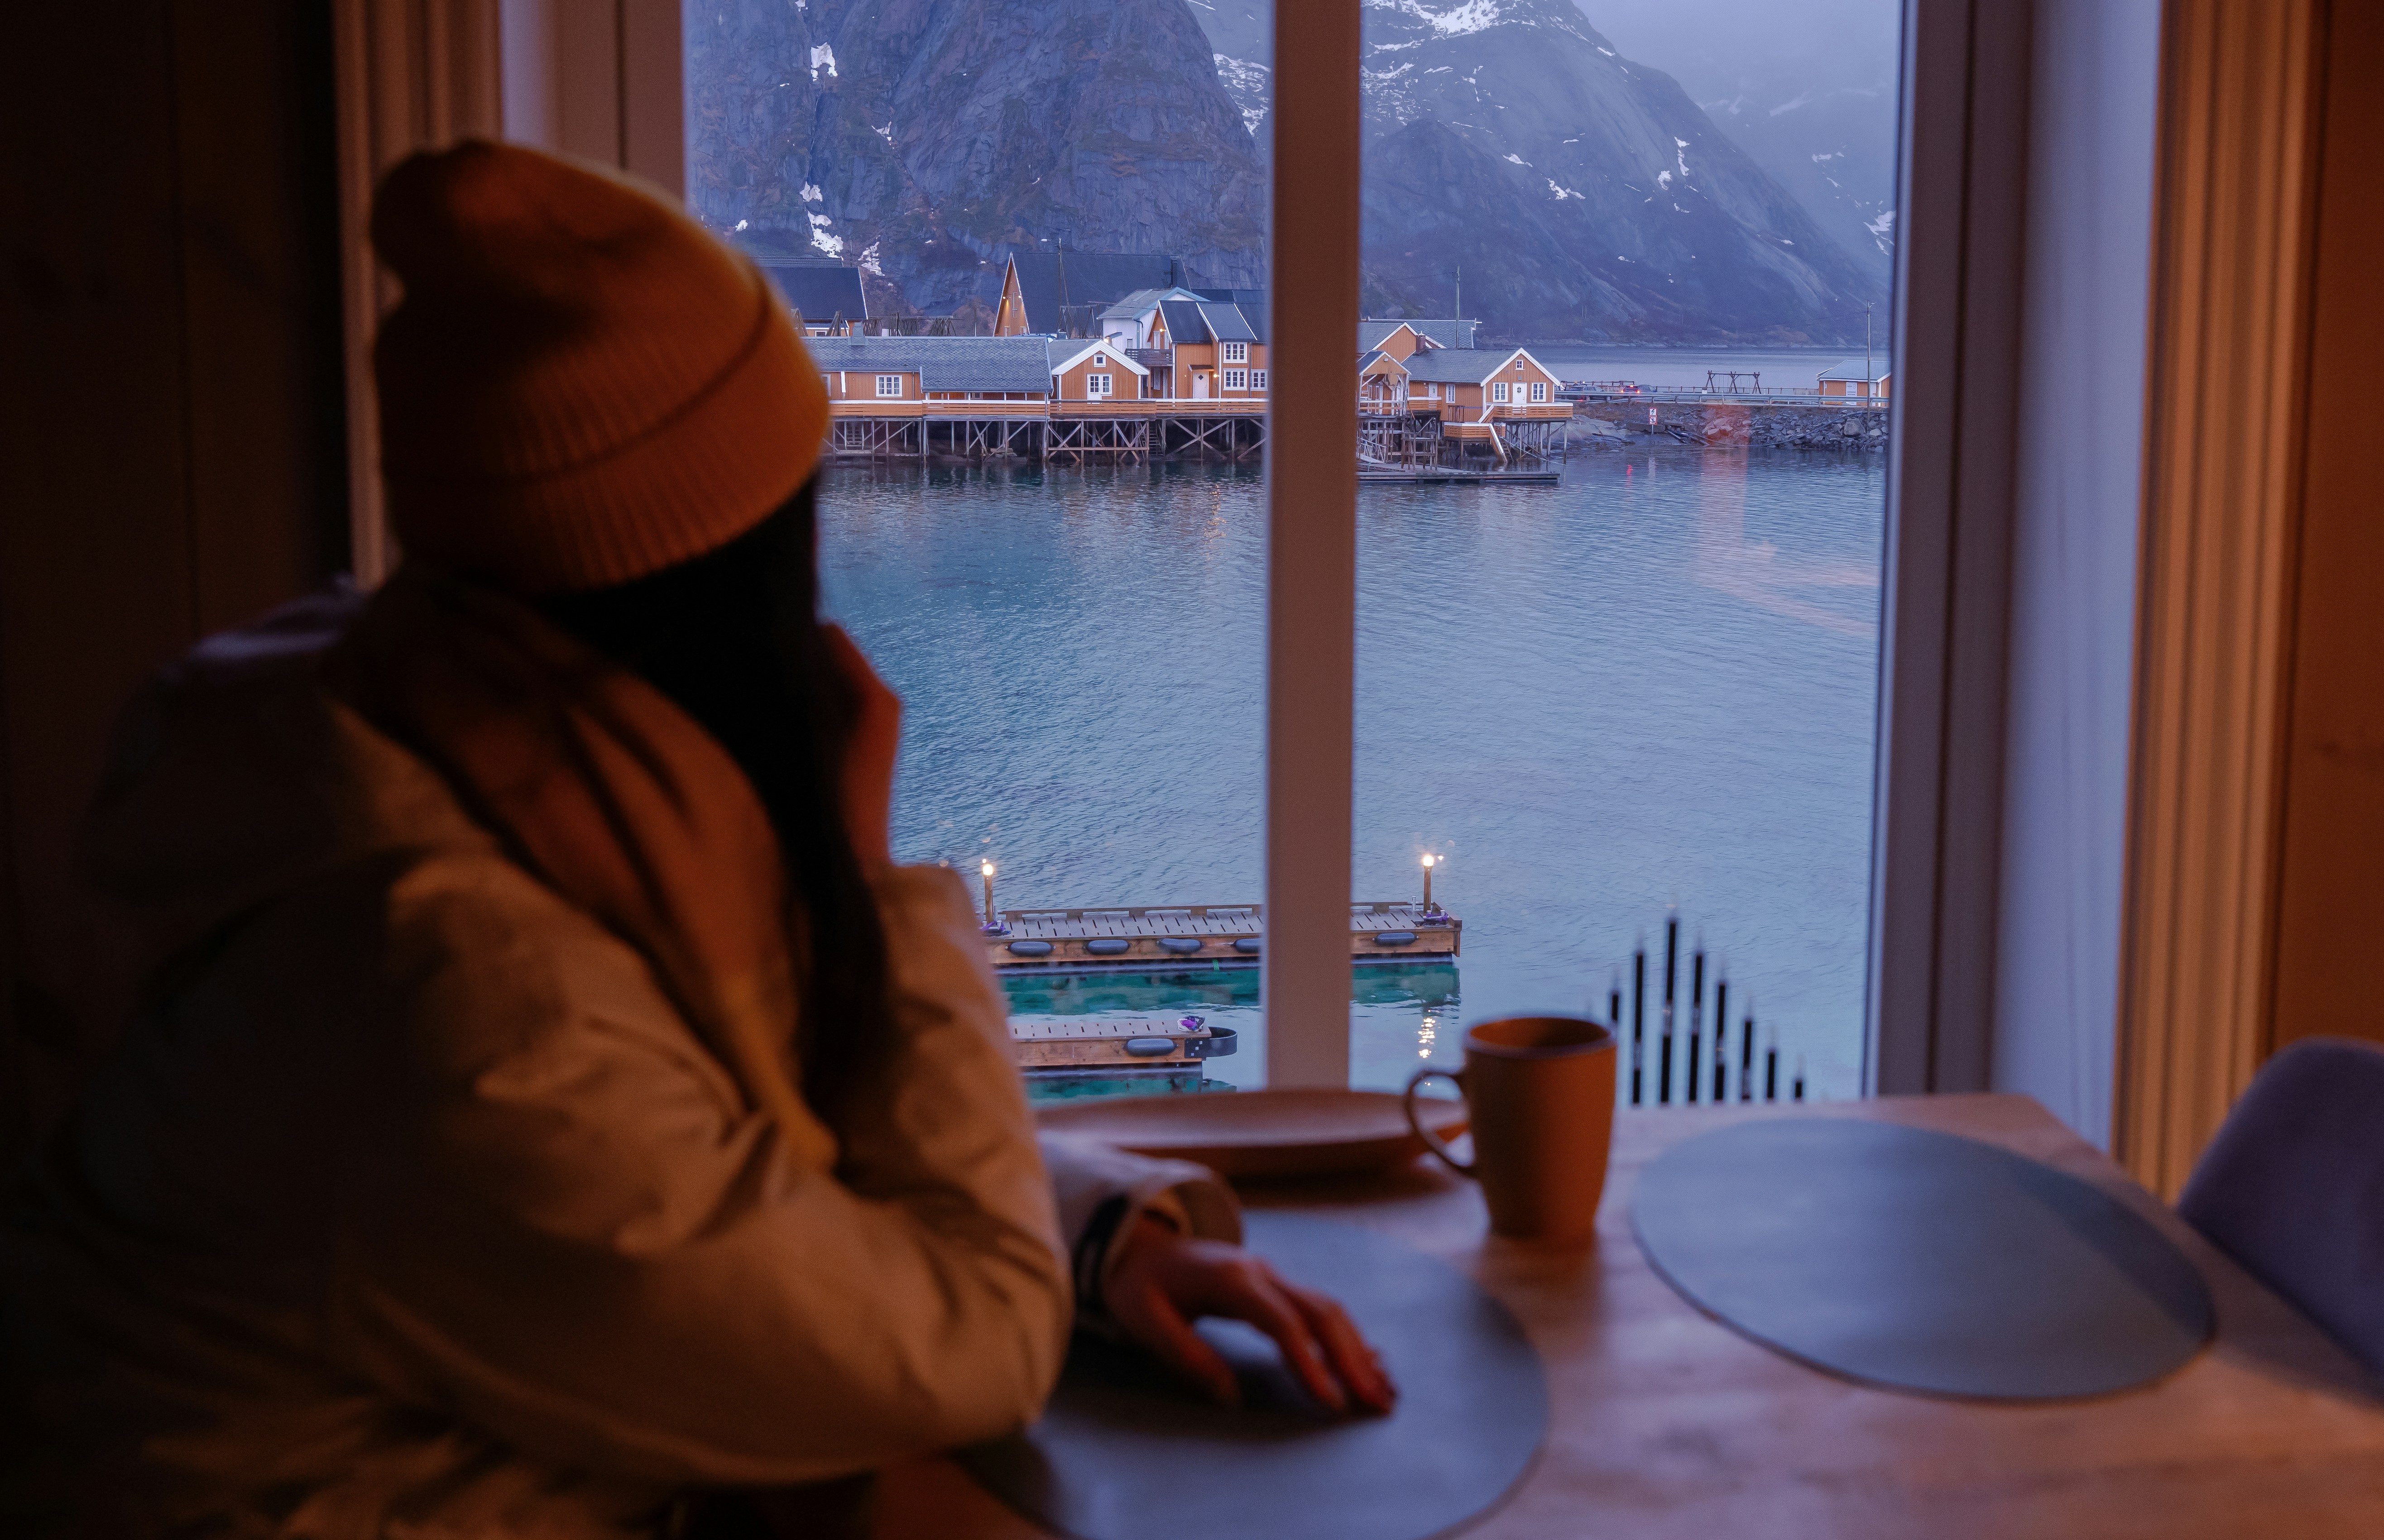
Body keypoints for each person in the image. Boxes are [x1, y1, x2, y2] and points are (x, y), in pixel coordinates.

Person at [0, 141, 1388, 1536]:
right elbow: (973, 1346)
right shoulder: (464, 1003)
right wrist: (873, 882)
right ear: (726, 573)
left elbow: (700, 1175)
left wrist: (1089, 1233)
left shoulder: (402, 736)